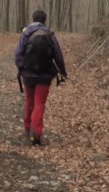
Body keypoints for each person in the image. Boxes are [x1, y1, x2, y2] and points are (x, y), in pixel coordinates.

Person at [14, 9, 68, 146]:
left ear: (33, 19)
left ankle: (27, 128)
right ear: (45, 20)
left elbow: (18, 53)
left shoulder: (26, 33)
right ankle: (36, 133)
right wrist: (63, 72)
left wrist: (21, 67)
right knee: (39, 103)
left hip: (28, 74)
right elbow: (58, 55)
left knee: (29, 100)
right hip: (45, 75)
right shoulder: (49, 34)